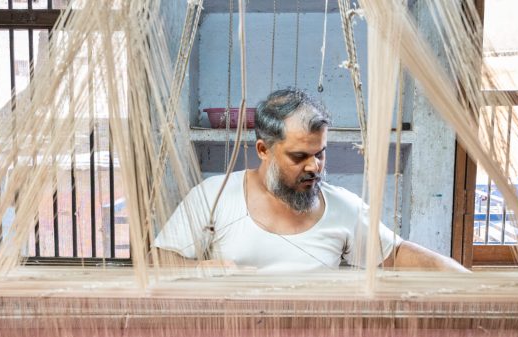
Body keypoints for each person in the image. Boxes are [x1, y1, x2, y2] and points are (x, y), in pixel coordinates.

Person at [154, 88, 468, 273]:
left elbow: (397, 254)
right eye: (299, 156)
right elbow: (160, 258)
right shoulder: (215, 197)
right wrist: (199, 270)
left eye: (320, 153)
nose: (314, 166)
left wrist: (468, 280)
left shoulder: (342, 207)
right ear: (264, 150)